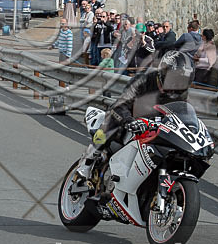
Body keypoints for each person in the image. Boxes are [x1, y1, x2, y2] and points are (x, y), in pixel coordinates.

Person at [76, 51, 195, 181]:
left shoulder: (181, 93)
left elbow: (184, 113)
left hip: (156, 127)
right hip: (132, 121)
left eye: (183, 81)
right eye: (176, 79)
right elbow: (120, 105)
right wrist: (129, 121)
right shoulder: (143, 80)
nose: (178, 84)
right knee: (111, 120)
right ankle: (88, 160)